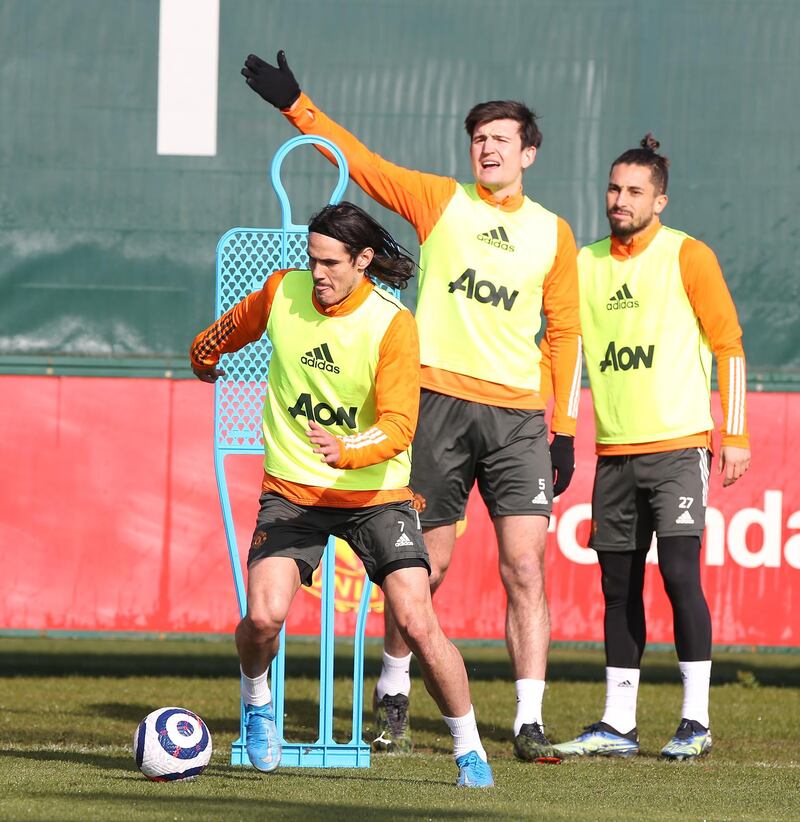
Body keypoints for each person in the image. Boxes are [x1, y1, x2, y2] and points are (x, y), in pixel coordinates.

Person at [241, 51, 583, 761]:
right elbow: (362, 164)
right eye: (479, 138)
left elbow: (565, 330)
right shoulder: (441, 201)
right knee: (426, 569)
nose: (487, 148)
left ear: (530, 153)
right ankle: (394, 696)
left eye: (501, 138)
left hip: (518, 418)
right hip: (435, 405)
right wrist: (296, 106)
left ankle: (528, 720)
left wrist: (567, 427)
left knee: (526, 565)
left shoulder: (553, 232)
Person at [190, 202, 494, 787]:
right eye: (311, 259)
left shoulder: (391, 324)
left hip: (375, 493)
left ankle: (469, 749)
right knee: (262, 617)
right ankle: (257, 703)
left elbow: (401, 424)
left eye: (330, 262)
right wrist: (206, 350)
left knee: (417, 619)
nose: (318, 272)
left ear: (364, 260)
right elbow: (236, 326)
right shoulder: (284, 292)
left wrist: (347, 449)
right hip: (293, 492)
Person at [549, 135, 751, 761]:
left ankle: (696, 721)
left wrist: (735, 433)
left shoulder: (688, 255)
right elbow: (565, 351)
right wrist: (559, 428)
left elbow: (729, 345)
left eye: (634, 191)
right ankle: (619, 724)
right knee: (617, 588)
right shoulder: (582, 263)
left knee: (680, 576)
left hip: (678, 448)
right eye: (613, 188)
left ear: (659, 199)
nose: (620, 200)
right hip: (614, 453)